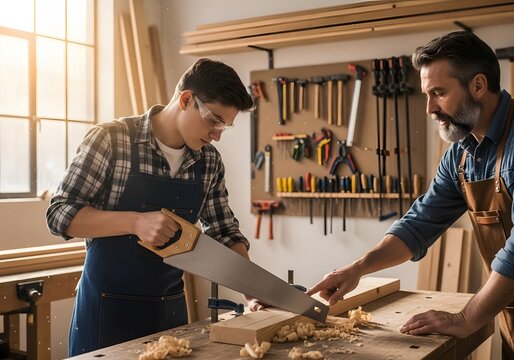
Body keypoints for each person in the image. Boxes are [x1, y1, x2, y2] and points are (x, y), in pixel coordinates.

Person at [306, 31, 514, 359]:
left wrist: (467, 317)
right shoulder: (461, 155)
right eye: (426, 94)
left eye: (439, 93)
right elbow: (419, 225)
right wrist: (358, 268)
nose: (430, 108)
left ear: (477, 85)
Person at [46, 58, 261, 356]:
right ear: (186, 100)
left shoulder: (208, 161)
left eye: (225, 126)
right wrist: (135, 222)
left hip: (169, 312)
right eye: (213, 120)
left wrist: (255, 293)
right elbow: (59, 215)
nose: (217, 134)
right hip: (105, 313)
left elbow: (224, 231)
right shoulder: (111, 139)